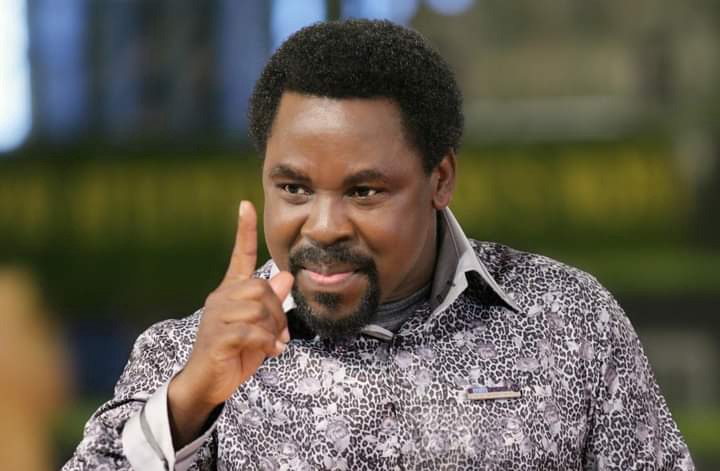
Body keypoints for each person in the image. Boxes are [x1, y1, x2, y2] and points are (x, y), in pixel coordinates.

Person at [64, 19, 694, 470]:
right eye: (294, 188)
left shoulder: (568, 321)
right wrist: (189, 401)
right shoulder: (187, 357)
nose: (323, 226)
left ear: (440, 179)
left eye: (364, 191)